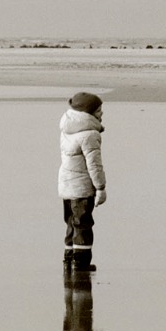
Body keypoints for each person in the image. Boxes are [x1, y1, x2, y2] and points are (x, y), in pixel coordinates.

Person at [59, 91, 107, 257]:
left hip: (66, 185)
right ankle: (81, 263)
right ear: (88, 113)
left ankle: (68, 259)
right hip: (81, 187)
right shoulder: (90, 135)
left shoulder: (67, 130)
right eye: (98, 110)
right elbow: (94, 165)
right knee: (83, 224)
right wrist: (100, 188)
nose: (102, 113)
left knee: (71, 222)